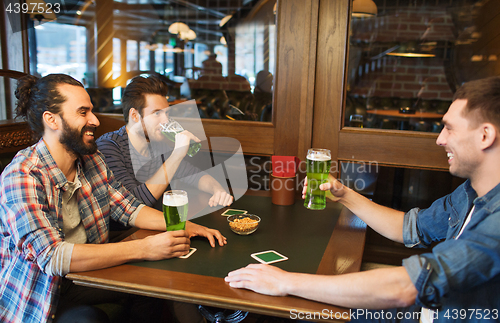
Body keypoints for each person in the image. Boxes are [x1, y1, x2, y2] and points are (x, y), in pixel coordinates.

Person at [225, 76, 500, 322]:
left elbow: (405, 288)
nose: (440, 140)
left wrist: (285, 282)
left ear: (485, 135)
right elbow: (408, 228)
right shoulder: (469, 193)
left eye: (449, 128)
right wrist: (344, 195)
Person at [0, 74, 227, 323]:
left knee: (155, 284)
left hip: (89, 274)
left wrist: (187, 226)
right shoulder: (22, 174)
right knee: (88, 319)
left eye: (92, 111)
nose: (95, 120)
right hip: (42, 292)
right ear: (51, 119)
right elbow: (53, 257)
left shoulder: (91, 159)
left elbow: (130, 208)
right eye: (83, 112)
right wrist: (145, 248)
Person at [96, 75, 233, 219]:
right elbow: (134, 205)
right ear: (135, 116)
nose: (166, 121)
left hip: (157, 228)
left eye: (167, 113)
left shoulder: (157, 145)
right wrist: (177, 155)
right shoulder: (109, 147)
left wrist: (217, 190)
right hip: (126, 236)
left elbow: (195, 176)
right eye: (157, 113)